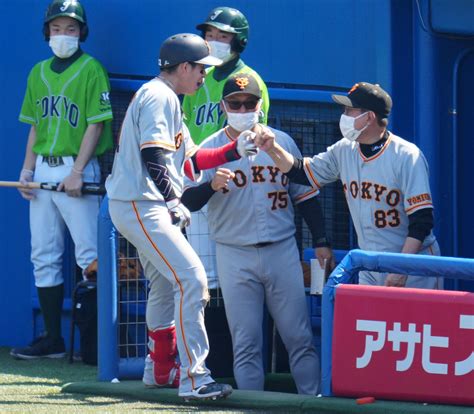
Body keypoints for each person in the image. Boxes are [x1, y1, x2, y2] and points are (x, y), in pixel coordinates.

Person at [106, 33, 257, 400]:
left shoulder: (169, 98)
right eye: (201, 69)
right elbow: (153, 155)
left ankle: (158, 371)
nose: (204, 75)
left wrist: (233, 149)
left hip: (144, 202)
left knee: (162, 284)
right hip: (142, 203)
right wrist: (173, 198)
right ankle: (195, 378)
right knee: (192, 280)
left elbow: (189, 160)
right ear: (184, 67)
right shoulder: (158, 96)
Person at [182, 73, 334, 394]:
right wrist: (211, 186)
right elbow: (187, 201)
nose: (242, 108)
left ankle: (313, 399)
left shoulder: (280, 142)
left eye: (249, 102)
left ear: (259, 104)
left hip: (281, 251)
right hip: (233, 253)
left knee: (299, 336)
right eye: (235, 103)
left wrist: (320, 240)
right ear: (223, 106)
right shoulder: (210, 149)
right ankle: (253, 404)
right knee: (246, 341)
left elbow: (305, 195)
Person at [255, 81, 441, 289]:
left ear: (369, 117)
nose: (343, 116)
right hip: (370, 264)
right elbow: (301, 172)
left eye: (349, 111)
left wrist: (401, 267)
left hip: (414, 266)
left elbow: (422, 220)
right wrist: (272, 149)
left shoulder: (406, 156)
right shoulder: (344, 149)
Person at [11, 0, 113, 360]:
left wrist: (76, 171)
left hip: (77, 167)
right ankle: (53, 339)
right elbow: (36, 124)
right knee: (43, 254)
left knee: (91, 255)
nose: (63, 34)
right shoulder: (38, 72)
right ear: (47, 32)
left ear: (81, 31)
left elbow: (95, 122)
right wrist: (27, 169)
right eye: (57, 28)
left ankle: (98, 345)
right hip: (44, 168)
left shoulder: (91, 69)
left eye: (71, 28)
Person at [182, 6, 271, 289]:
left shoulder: (252, 81)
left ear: (238, 41)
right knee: (202, 269)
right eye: (209, 34)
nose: (213, 41)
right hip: (198, 176)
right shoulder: (198, 76)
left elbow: (257, 138)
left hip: (235, 181)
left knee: (235, 271)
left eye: (222, 35)